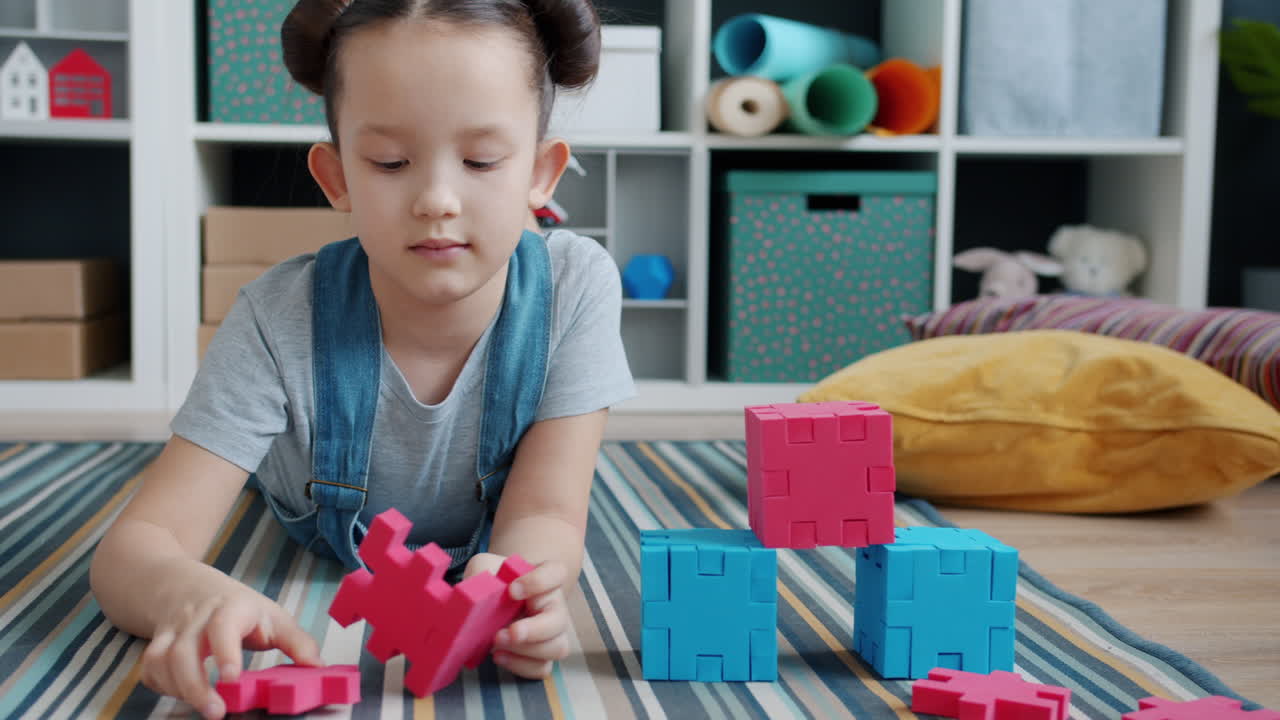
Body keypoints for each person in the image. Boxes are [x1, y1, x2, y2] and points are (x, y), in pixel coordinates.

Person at [89, 1, 633, 717]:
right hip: (303, 506)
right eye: (390, 162)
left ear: (541, 173)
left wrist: (518, 584)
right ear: (336, 175)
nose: (437, 199)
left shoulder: (575, 288)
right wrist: (188, 592)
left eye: (480, 161)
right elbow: (134, 549)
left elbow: (547, 511)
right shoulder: (276, 318)